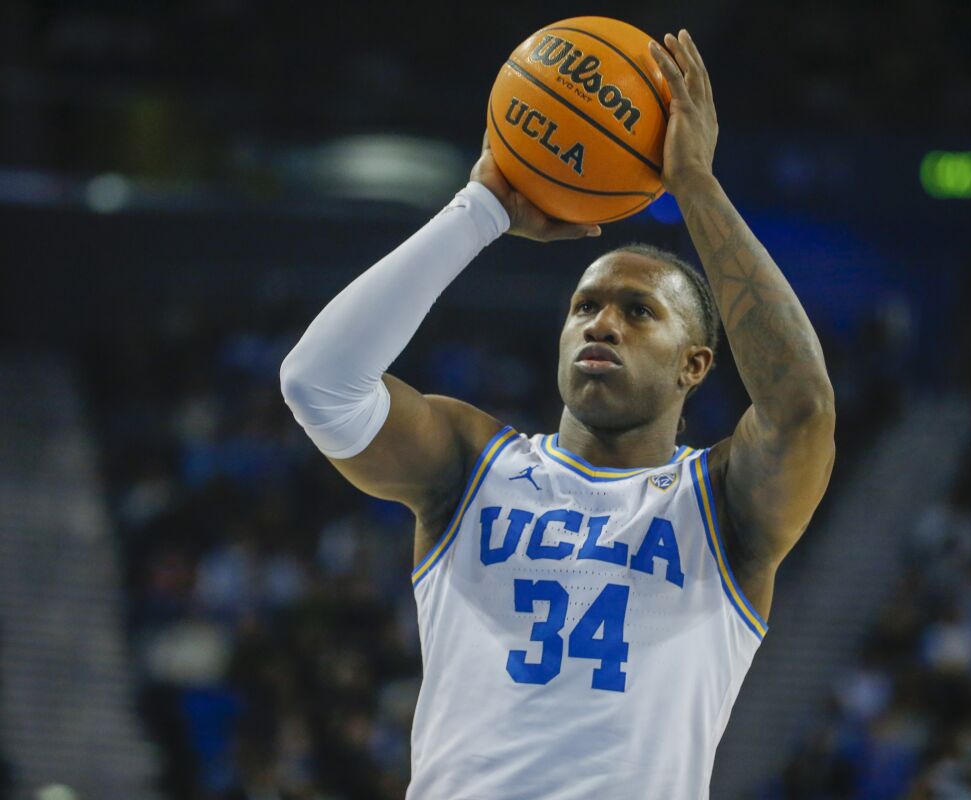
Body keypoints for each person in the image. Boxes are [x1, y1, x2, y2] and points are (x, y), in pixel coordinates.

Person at [280, 28, 835, 800]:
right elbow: (318, 383)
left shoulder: (724, 505)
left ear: (695, 365)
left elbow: (801, 407)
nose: (601, 325)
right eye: (585, 307)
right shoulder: (472, 463)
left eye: (638, 312)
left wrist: (695, 185)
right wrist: (480, 209)